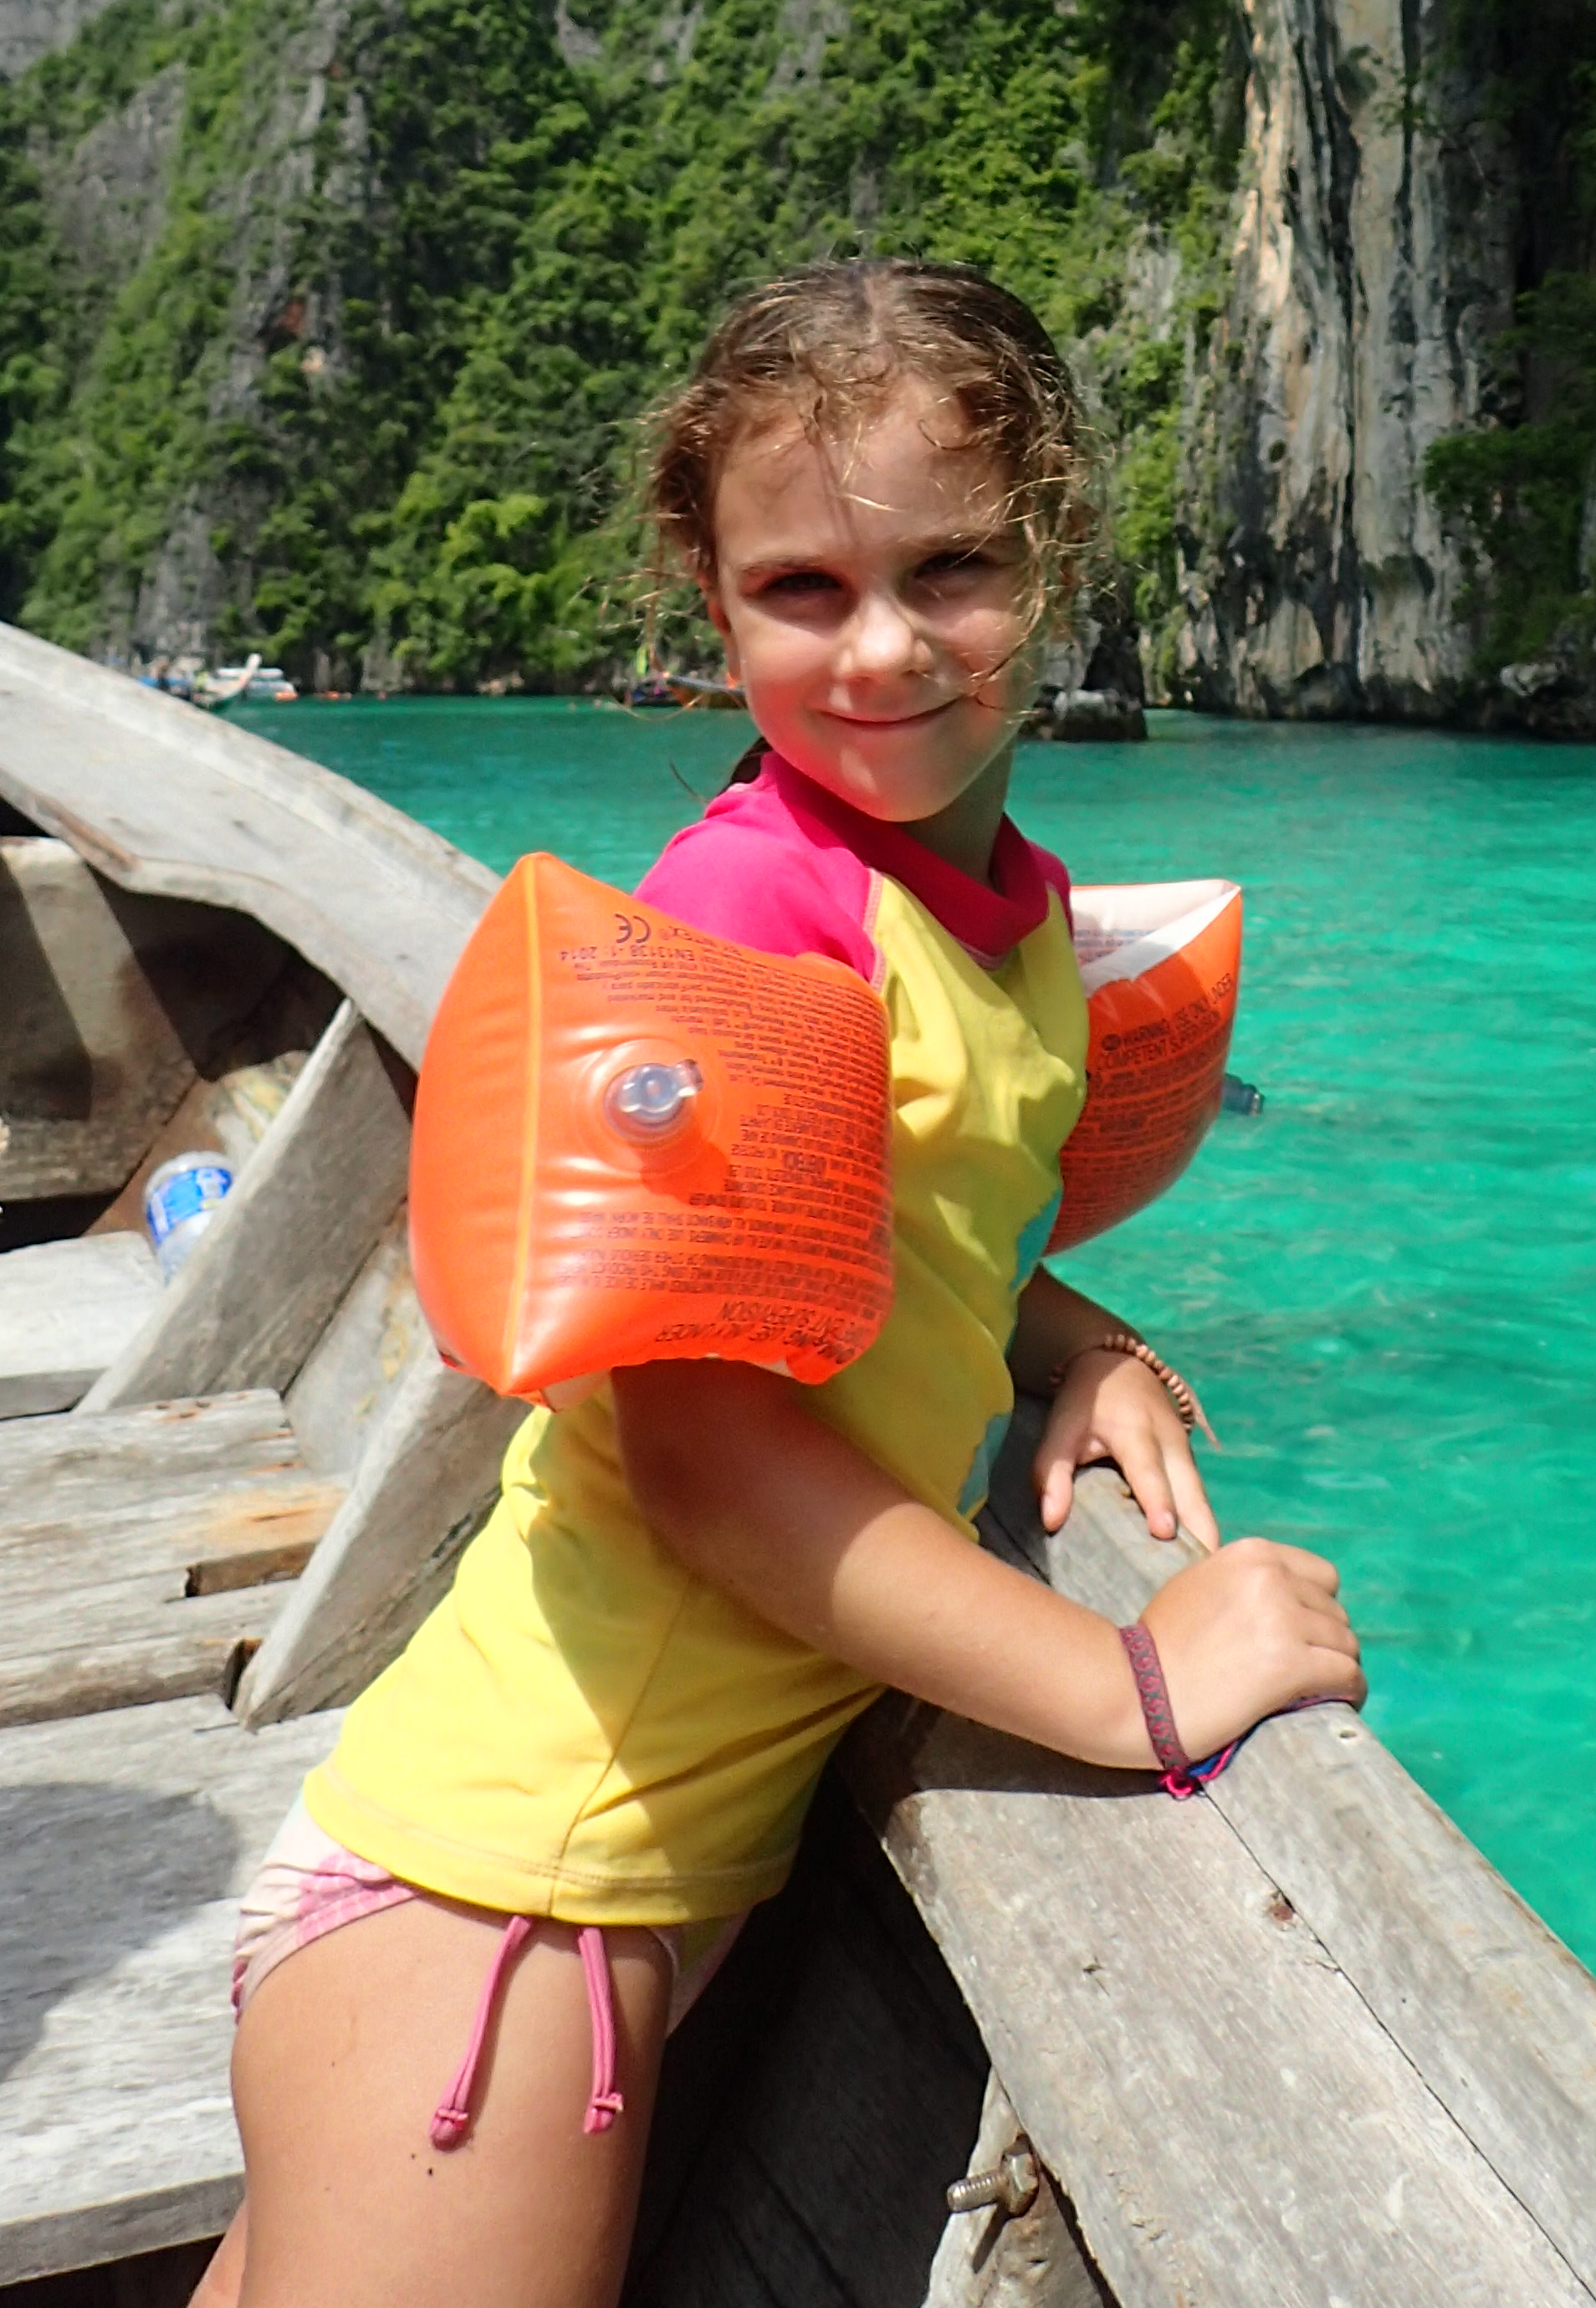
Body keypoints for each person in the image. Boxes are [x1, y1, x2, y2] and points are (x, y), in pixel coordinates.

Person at [200, 258, 1362, 2308]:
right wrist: (1128, 1688)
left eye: (952, 568)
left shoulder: (1008, 913)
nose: (884, 646)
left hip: (545, 1894)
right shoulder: (754, 907)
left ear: (1056, 552)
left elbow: (923, 1237)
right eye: (802, 590)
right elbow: (711, 1457)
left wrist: (1076, 1338)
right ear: (713, 602)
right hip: (508, 1916)